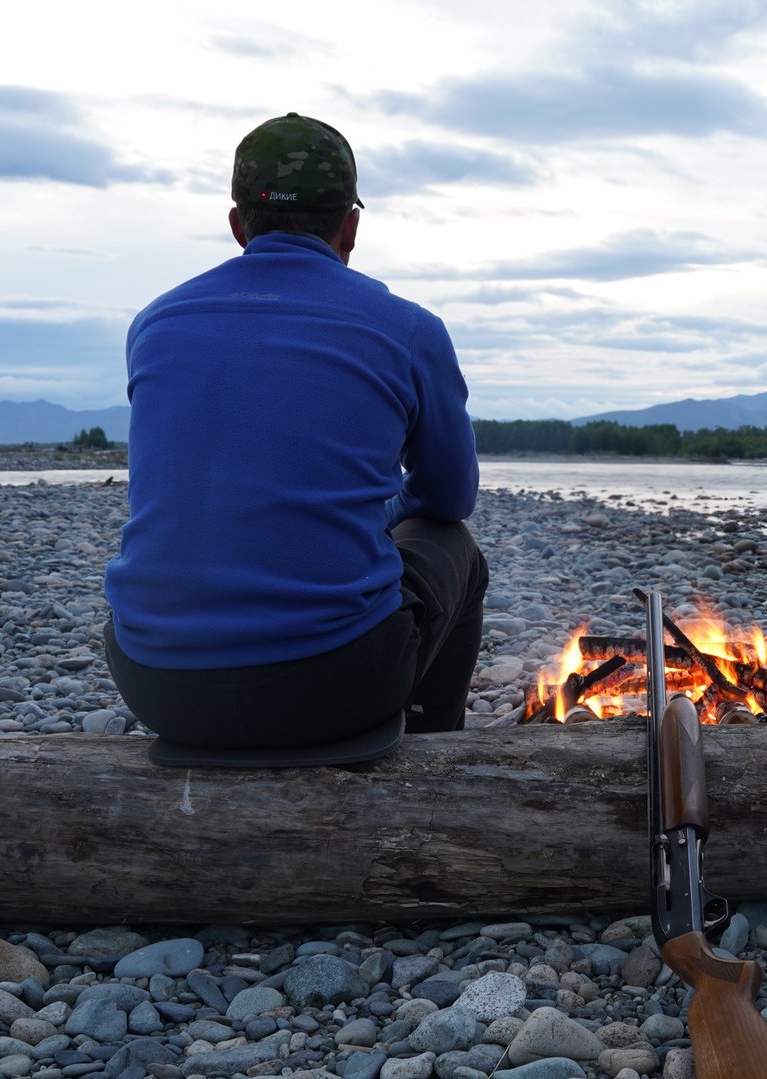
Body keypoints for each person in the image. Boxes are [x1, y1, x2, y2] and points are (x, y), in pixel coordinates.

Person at [103, 113, 488, 767]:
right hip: (333, 688)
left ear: (236, 225)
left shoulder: (155, 323)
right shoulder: (409, 329)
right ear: (351, 227)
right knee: (454, 547)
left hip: (156, 682)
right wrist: (383, 510)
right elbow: (449, 497)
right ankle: (431, 768)